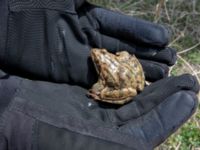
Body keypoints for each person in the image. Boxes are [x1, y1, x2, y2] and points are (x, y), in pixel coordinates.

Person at [0, 0, 199, 150]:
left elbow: (107, 79)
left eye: (99, 58)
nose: (96, 55)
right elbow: (121, 60)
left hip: (124, 83)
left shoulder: (103, 65)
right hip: (126, 73)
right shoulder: (105, 58)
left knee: (120, 84)